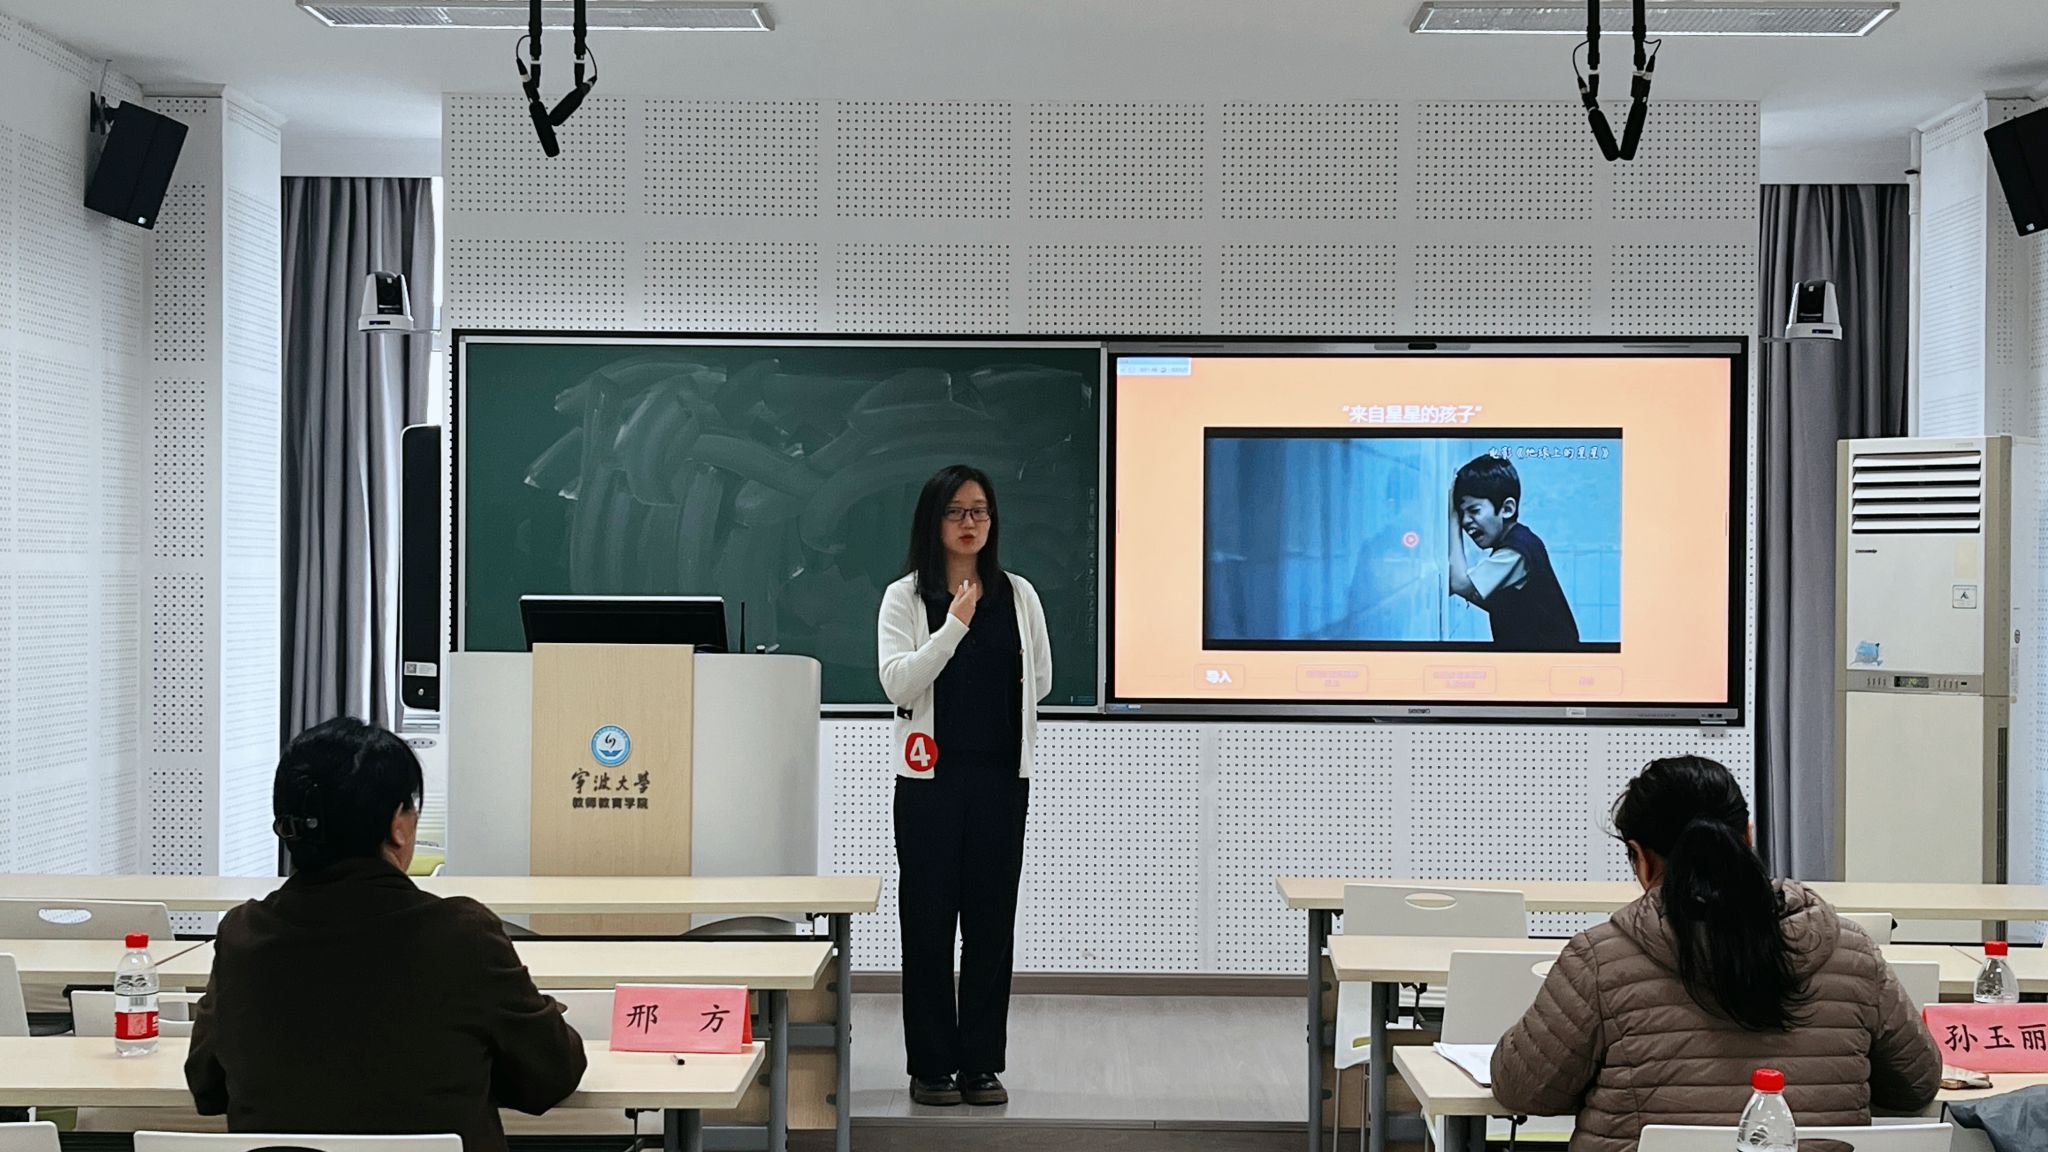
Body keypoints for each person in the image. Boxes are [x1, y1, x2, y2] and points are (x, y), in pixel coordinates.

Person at [1490, 756, 1941, 1152]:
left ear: (1640, 857)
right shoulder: (1851, 950)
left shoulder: (1600, 959)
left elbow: (1523, 1090)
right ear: (1748, 837)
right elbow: (1916, 1084)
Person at [186, 718, 586, 1152]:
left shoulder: (243, 936)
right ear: (398, 824)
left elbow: (207, 1086)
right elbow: (552, 1075)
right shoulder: (461, 934)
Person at [876, 464, 1053, 1108]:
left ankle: (980, 1063)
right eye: (956, 511)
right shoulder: (905, 597)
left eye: (980, 510)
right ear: (934, 521)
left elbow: (1041, 679)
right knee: (927, 923)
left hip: (1001, 781)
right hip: (929, 783)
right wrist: (953, 626)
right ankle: (931, 1065)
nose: (970, 522)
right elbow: (898, 682)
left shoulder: (1019, 594)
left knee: (990, 925)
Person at [1445, 453, 1580, 650]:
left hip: (1549, 657)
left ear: (1507, 508)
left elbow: (1459, 583)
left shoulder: (1515, 552)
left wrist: (1452, 519)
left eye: (1474, 511)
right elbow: (1498, 601)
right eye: (1461, 513)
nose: (1465, 521)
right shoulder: (1522, 540)